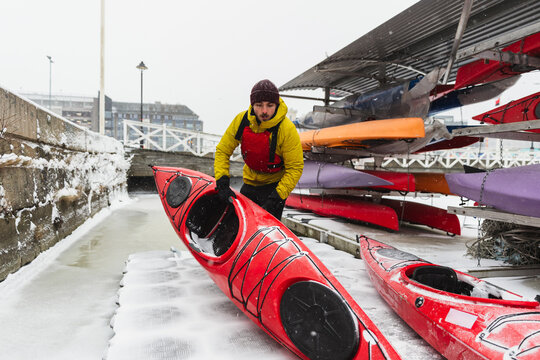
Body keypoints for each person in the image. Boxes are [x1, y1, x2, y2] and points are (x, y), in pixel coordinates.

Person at [214, 79, 304, 219]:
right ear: (252, 104)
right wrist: (222, 182)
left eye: (270, 105)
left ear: (277, 104)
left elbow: (295, 168)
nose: (264, 111)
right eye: (258, 105)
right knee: (236, 221)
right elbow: (222, 151)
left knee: (266, 230)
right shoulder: (241, 121)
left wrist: (277, 197)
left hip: (274, 187)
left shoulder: (287, 129)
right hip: (250, 182)